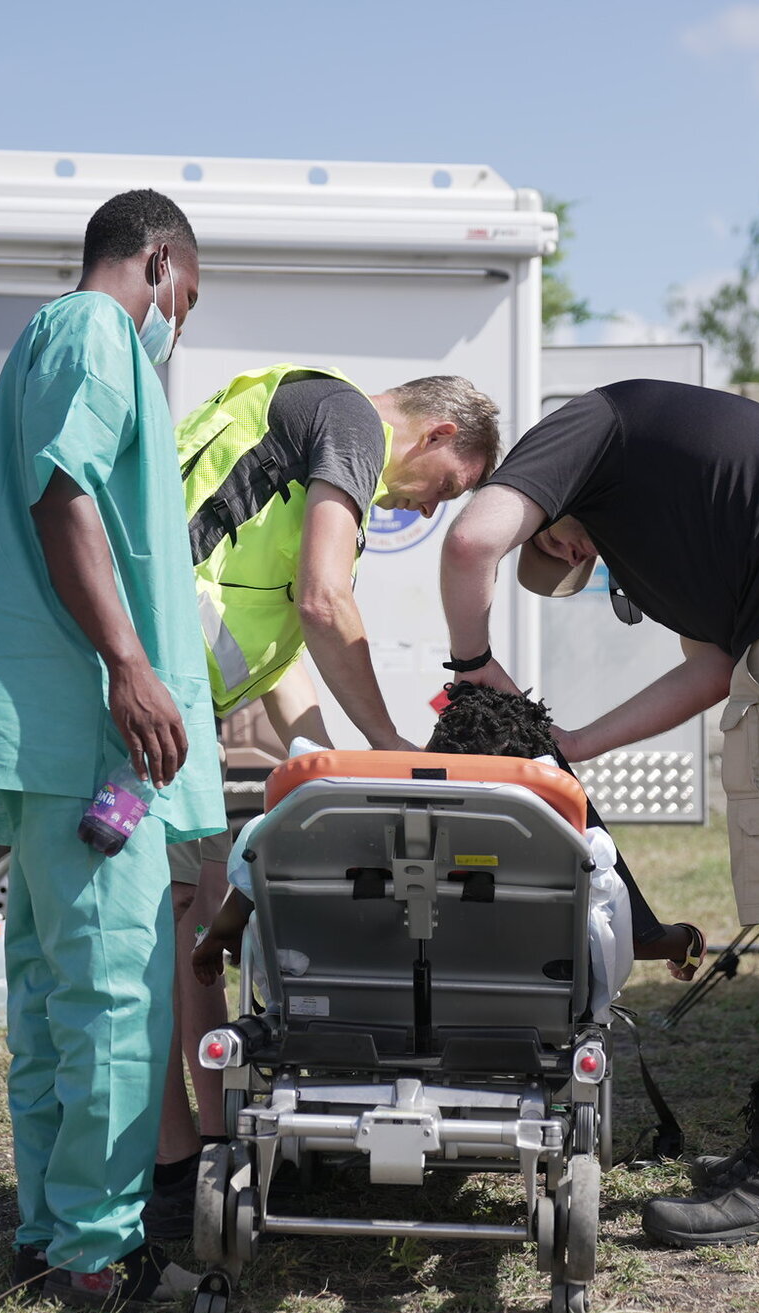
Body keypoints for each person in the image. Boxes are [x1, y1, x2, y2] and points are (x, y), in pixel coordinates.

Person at [438, 379, 759, 1247]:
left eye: (559, 540)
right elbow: (711, 670)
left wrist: (471, 662)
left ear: (553, 508)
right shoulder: (669, 519)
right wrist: (578, 742)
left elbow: (471, 539)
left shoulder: (588, 424)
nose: (570, 547)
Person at [0, 189, 224, 1309]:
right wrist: (132, 665)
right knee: (113, 1001)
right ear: (158, 262)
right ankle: (97, 1252)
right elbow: (61, 495)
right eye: (184, 295)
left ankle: (50, 1235)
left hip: (60, 748)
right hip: (93, 736)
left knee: (51, 997)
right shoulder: (95, 331)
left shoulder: (48, 338)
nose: (177, 320)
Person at [149, 367, 503, 1238]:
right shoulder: (351, 421)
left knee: (196, 926)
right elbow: (323, 597)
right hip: (152, 704)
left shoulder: (303, 435)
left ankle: (211, 1134)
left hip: (180, 702)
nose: (424, 514)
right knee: (160, 936)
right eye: (446, 491)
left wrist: (324, 749)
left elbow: (275, 644)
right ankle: (164, 1169)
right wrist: (390, 745)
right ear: (437, 437)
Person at [186, 683, 706, 986]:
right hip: (521, 989)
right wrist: (686, 941)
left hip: (361, 984)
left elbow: (258, 857)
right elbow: (624, 935)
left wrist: (223, 931)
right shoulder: (569, 846)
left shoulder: (354, 825)